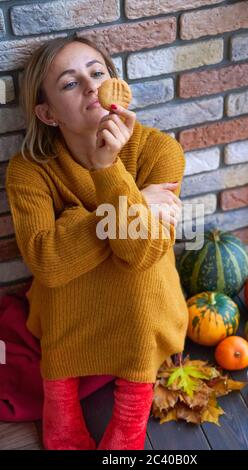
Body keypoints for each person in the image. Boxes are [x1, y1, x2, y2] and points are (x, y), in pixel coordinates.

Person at [5, 34, 189, 450]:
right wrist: (137, 202)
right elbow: (47, 263)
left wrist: (107, 176)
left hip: (142, 298)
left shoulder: (161, 151)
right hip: (69, 307)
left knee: (133, 268)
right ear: (48, 113)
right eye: (70, 83)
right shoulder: (28, 170)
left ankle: (130, 414)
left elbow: (140, 253)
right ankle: (61, 403)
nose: (91, 87)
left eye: (98, 73)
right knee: (65, 271)